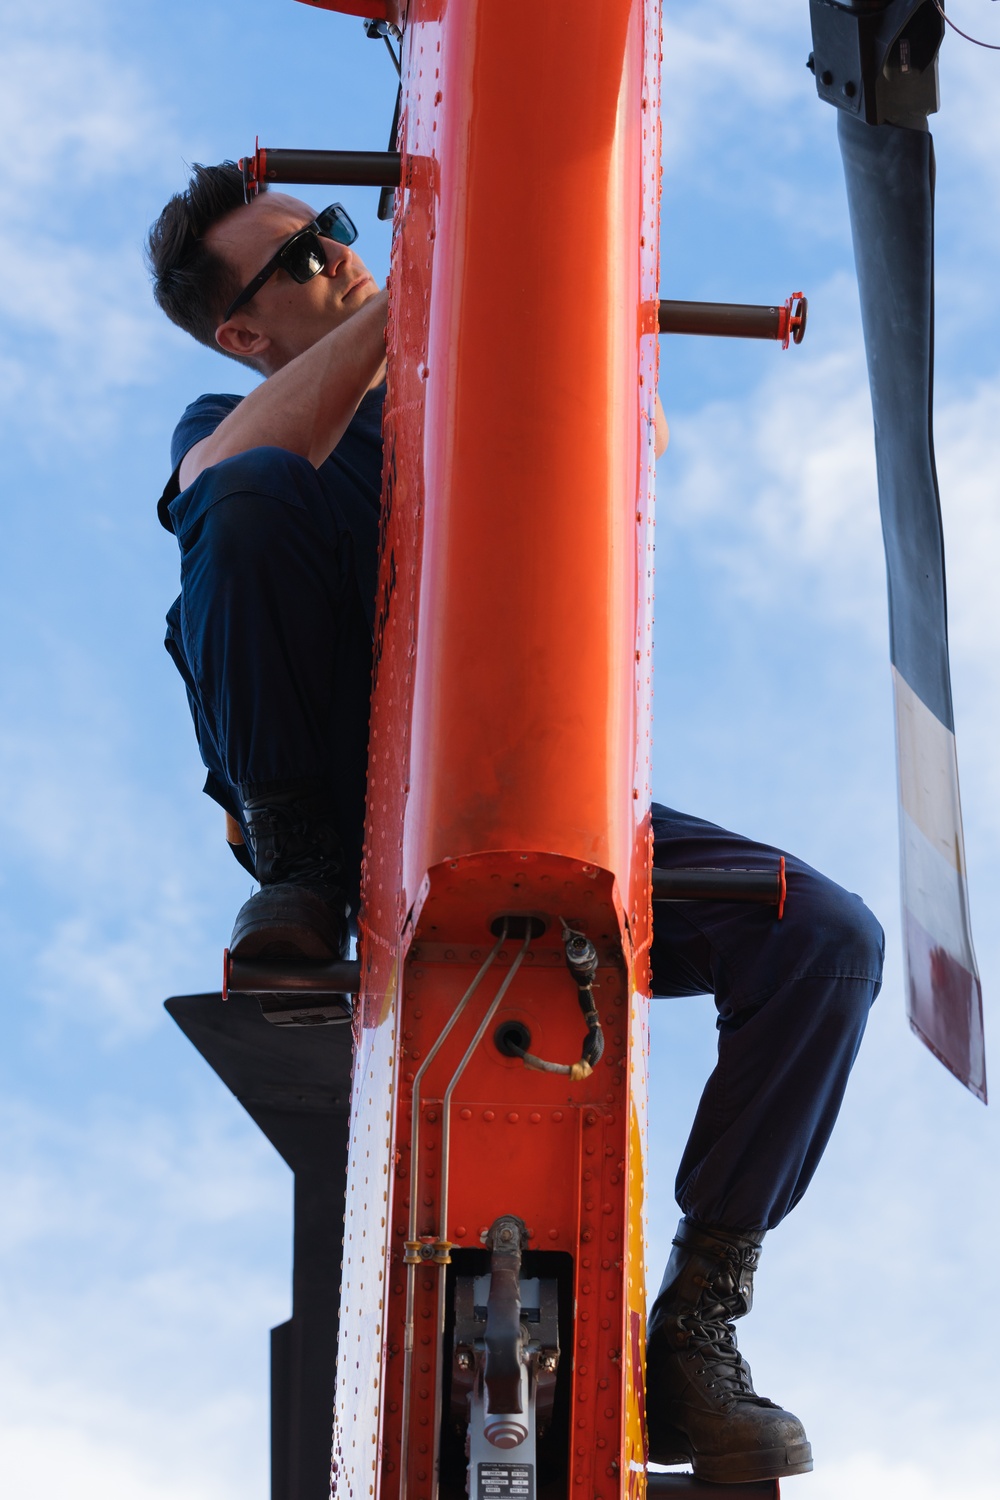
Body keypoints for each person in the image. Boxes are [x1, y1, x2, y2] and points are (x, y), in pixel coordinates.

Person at [147, 164, 884, 1485]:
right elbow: (234, 476)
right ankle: (303, 869)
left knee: (821, 935)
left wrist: (543, 296)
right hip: (343, 774)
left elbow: (631, 456)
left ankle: (698, 1323)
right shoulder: (239, 422)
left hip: (517, 775)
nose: (342, 247)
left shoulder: (450, 398)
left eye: (338, 227)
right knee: (250, 505)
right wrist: (416, 298)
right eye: (307, 254)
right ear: (242, 332)